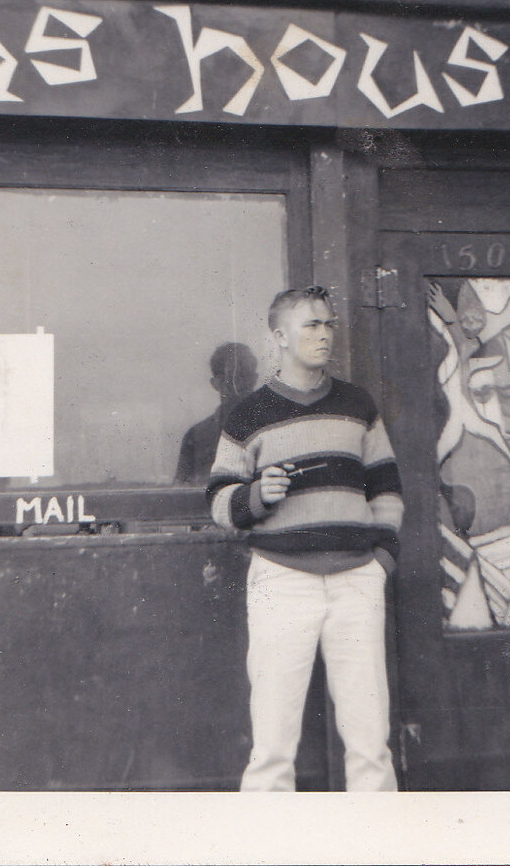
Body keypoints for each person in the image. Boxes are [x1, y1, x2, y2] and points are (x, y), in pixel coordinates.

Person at [206, 285, 403, 791]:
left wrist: (380, 560)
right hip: (282, 578)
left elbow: (386, 488)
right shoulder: (249, 413)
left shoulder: (357, 404)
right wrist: (256, 496)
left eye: (328, 324)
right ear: (279, 336)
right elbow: (218, 500)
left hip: (356, 580)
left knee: (370, 740)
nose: (324, 334)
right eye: (311, 325)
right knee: (272, 743)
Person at [174, 342, 258, 486]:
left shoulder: (273, 428)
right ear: (215, 383)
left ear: (255, 379)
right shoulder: (196, 436)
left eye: (245, 375)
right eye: (231, 377)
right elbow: (182, 492)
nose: (239, 385)